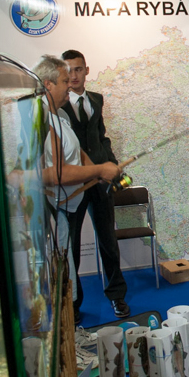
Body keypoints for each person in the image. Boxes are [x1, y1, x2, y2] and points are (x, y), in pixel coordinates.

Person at [32, 56, 121, 324]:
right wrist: (98, 170)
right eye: (64, 80)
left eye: (76, 72)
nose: (69, 84)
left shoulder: (60, 115)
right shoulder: (39, 118)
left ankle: (101, 302)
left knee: (103, 242)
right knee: (65, 267)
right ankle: (70, 316)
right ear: (47, 84)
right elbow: (55, 173)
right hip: (55, 210)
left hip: (80, 193)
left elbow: (80, 149)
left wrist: (101, 170)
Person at [59, 49, 130, 322]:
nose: (73, 76)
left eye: (78, 69)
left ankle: (117, 295)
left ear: (86, 70)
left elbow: (101, 138)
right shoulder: (57, 106)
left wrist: (113, 167)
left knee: (108, 240)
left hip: (101, 181)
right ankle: (73, 304)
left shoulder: (96, 100)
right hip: (75, 183)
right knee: (72, 246)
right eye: (68, 71)